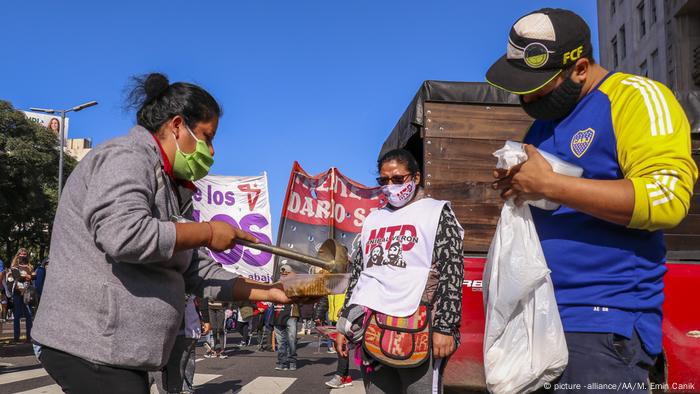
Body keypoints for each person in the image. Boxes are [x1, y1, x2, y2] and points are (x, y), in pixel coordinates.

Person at [31, 73, 292, 394]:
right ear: (177, 125)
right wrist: (208, 232)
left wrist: (271, 291)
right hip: (88, 345)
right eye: (207, 137)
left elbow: (198, 272)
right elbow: (123, 234)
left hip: (120, 354)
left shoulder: (175, 191)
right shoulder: (125, 157)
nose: (211, 151)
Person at [486, 8, 698, 392]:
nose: (526, 96)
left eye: (538, 85)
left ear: (580, 68)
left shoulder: (635, 98)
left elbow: (667, 199)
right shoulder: (543, 125)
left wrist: (550, 185)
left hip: (602, 324)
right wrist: (520, 187)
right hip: (540, 320)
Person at [336, 149, 465, 394]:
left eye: (397, 179)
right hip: (371, 328)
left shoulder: (436, 213)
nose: (390, 186)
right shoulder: (373, 219)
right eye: (383, 181)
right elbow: (359, 277)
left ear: (415, 178)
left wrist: (445, 328)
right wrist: (344, 324)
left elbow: (452, 272)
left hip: (419, 327)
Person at [322, 293, 353, 389]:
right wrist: (319, 313)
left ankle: (340, 375)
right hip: (336, 318)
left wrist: (345, 311)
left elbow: (352, 295)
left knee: (343, 346)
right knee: (341, 347)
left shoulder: (349, 279)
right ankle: (345, 377)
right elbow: (325, 299)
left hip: (348, 317)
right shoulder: (332, 282)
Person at [273, 264, 300, 371]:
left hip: (291, 315)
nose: (284, 275)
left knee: (292, 340)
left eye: (287, 273)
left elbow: (300, 297)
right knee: (280, 341)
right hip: (278, 315)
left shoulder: (296, 285)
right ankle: (282, 362)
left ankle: (292, 361)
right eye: (282, 273)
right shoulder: (276, 284)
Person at [8, 248, 34, 342]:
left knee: (29, 315)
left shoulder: (30, 266)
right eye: (21, 254)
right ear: (18, 255)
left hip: (27, 293)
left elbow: (33, 277)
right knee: (17, 315)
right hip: (17, 293)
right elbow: (14, 278)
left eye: (25, 254)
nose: (23, 256)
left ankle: (29, 337)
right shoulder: (14, 266)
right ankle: (16, 337)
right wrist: (26, 276)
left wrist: (29, 275)